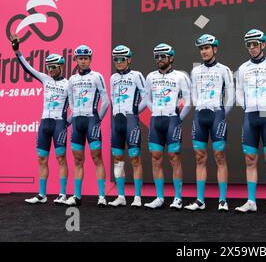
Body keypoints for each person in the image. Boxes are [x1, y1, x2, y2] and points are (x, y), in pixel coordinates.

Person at [10, 34, 70, 205]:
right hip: (44, 123)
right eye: (48, 67)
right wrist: (17, 51)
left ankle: (63, 194)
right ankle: (42, 194)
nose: (49, 70)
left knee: (61, 158)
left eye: (53, 67)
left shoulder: (68, 84)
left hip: (59, 123)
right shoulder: (45, 79)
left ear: (61, 67)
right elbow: (28, 68)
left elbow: (78, 106)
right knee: (42, 159)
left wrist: (68, 122)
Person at [235, 29, 266, 214]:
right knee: (250, 159)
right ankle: (251, 201)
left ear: (263, 44)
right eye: (249, 45)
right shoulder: (242, 68)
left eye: (255, 44)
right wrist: (246, 106)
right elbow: (238, 92)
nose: (252, 48)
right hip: (250, 115)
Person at [184, 34, 234, 212]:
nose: (204, 51)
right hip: (200, 116)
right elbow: (193, 95)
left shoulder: (224, 70)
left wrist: (221, 113)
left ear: (215, 49)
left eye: (206, 48)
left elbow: (231, 96)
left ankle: (222, 200)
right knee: (199, 157)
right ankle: (200, 200)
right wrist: (199, 108)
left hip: (217, 115)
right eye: (201, 48)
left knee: (219, 156)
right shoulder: (195, 71)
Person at [144, 43, 191, 210]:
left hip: (172, 121)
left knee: (174, 158)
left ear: (171, 58)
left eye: (162, 56)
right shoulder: (150, 77)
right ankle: (159, 197)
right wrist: (155, 110)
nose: (159, 59)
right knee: (155, 158)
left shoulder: (180, 76)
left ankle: (177, 198)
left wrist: (179, 118)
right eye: (156, 56)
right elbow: (147, 99)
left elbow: (189, 100)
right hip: (156, 120)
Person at [64, 45, 110, 207]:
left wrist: (98, 119)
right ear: (76, 60)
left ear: (90, 59)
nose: (83, 61)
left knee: (97, 158)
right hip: (77, 123)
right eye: (80, 58)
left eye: (86, 58)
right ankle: (77, 196)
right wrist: (73, 116)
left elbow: (106, 102)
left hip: (92, 122)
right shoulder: (72, 80)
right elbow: (70, 101)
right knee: (77, 160)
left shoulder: (97, 76)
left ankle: (102, 196)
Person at [108, 45, 147, 208]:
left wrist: (134, 111)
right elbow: (111, 98)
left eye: (122, 59)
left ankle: (137, 197)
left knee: (135, 158)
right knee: (117, 159)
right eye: (115, 59)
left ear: (129, 60)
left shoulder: (137, 75)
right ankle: (121, 195)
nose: (119, 62)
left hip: (131, 121)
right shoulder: (112, 78)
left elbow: (146, 97)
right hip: (116, 122)